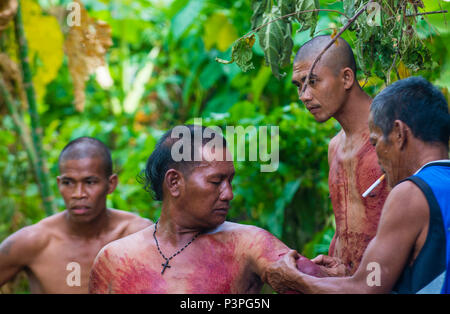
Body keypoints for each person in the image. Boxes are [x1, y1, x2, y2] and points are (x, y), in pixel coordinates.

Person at [265, 76, 450, 293]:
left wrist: (296, 280)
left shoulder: (411, 194)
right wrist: (348, 276)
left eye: (375, 142)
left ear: (399, 133)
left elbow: (364, 289)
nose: (379, 158)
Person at [88, 125, 325, 294]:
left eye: (230, 181)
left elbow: (315, 282)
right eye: (216, 182)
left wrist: (338, 274)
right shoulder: (115, 259)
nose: (229, 193)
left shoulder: (248, 244)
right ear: (174, 182)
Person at [0, 137, 152, 293]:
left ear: (111, 184)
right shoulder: (33, 242)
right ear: (59, 184)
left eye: (90, 182)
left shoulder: (139, 235)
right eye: (68, 183)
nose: (78, 194)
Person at [292, 35, 390, 275]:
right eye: (299, 85)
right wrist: (336, 267)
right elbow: (345, 228)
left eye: (312, 81)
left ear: (346, 78)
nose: (304, 95)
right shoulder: (334, 147)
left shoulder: (391, 137)